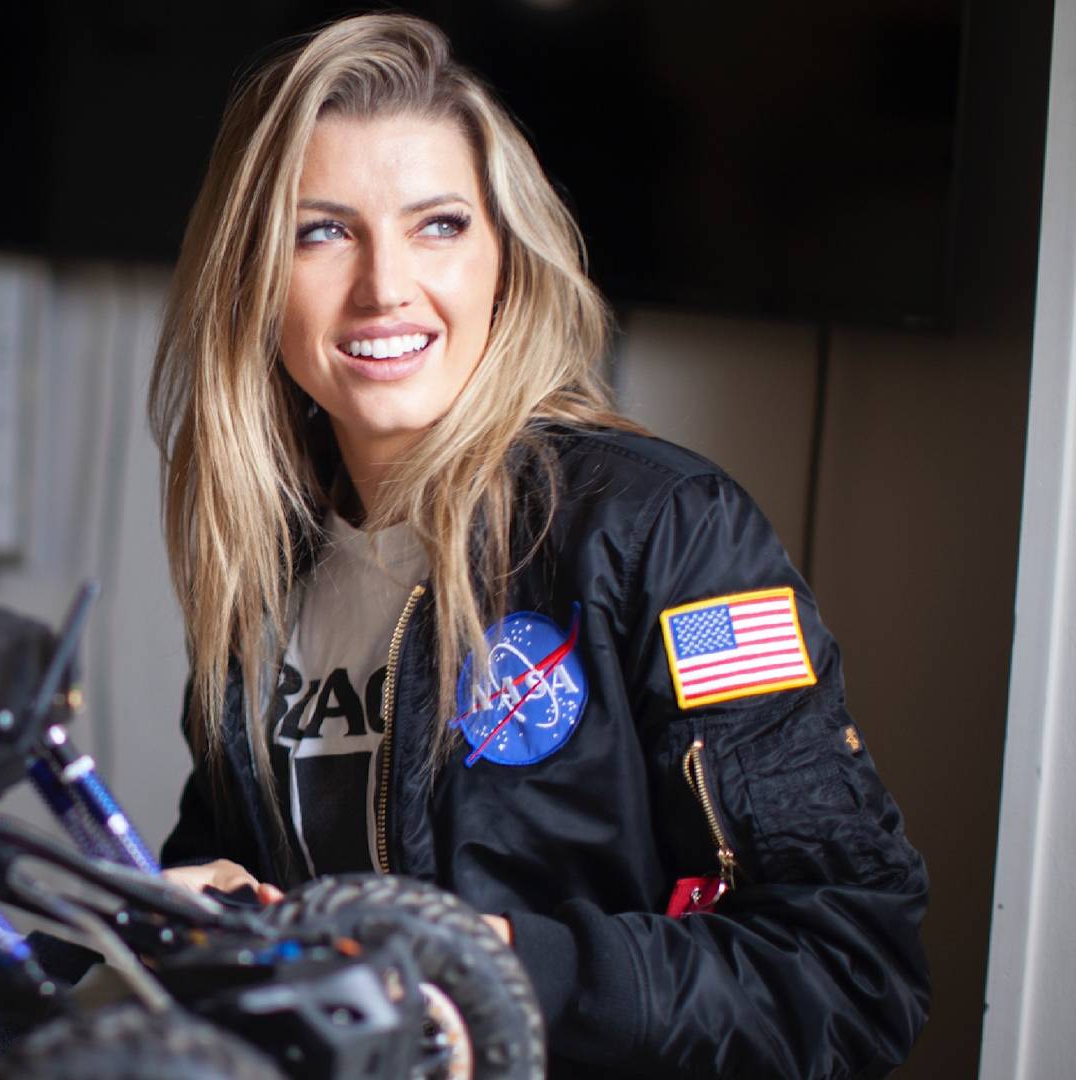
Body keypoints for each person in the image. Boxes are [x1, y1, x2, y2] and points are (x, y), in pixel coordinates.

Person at [149, 13, 929, 1077]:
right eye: (320, 230)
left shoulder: (665, 531)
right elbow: (236, 875)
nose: (386, 286)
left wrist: (499, 965)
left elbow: (849, 979)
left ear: (504, 262)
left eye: (438, 225)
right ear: (248, 275)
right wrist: (185, 919)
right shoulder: (266, 562)